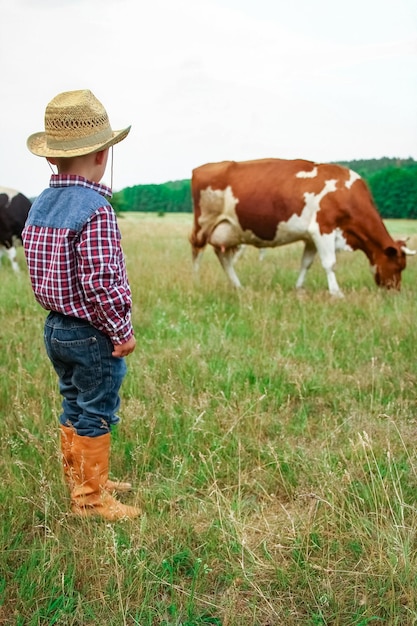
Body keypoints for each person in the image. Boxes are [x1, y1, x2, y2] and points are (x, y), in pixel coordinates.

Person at [22, 89, 140, 521]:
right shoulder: (96, 210)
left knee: (72, 401)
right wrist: (121, 331)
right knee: (97, 408)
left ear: (53, 158)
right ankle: (90, 501)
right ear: (101, 154)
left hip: (55, 327)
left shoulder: (39, 206)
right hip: (91, 332)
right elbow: (102, 281)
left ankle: (84, 481)